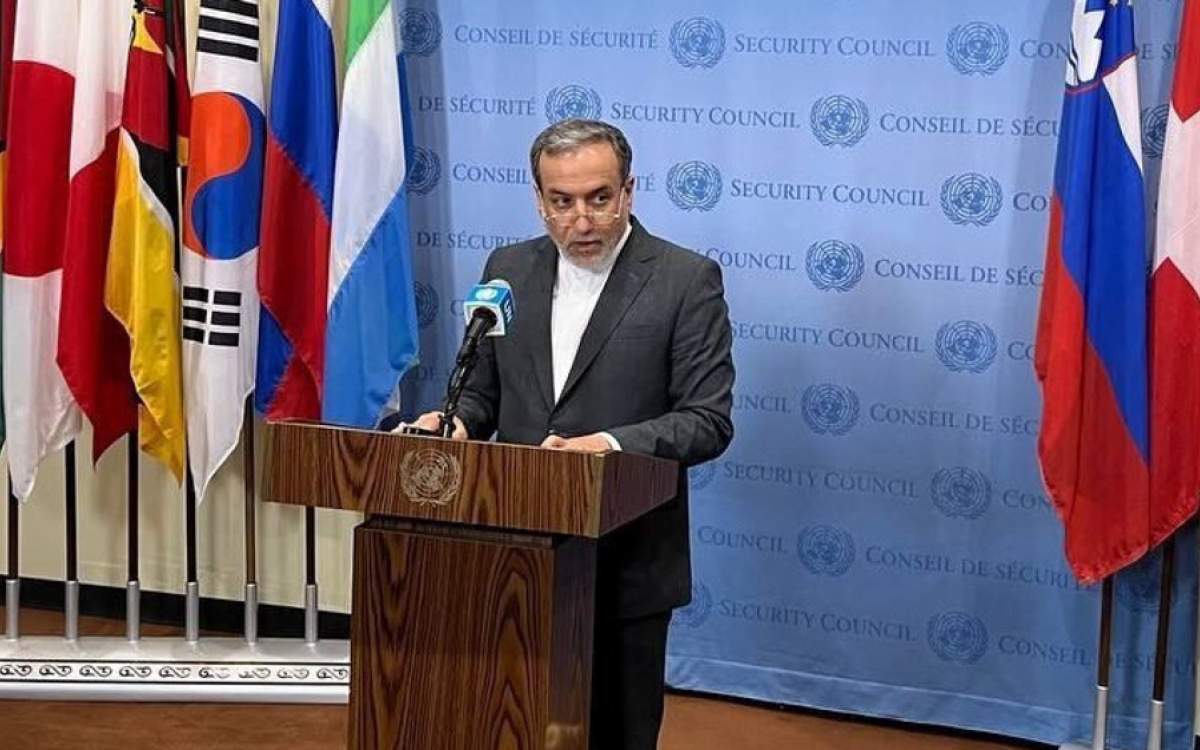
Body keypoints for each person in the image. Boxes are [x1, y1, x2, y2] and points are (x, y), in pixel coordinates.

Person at [412, 118, 734, 749]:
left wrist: (608, 445)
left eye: (599, 198)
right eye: (561, 202)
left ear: (629, 192)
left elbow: (708, 419)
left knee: (616, 734)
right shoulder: (506, 269)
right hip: (512, 555)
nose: (581, 220)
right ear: (539, 200)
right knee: (512, 725)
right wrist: (455, 421)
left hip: (627, 556)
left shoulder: (685, 279)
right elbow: (482, 391)